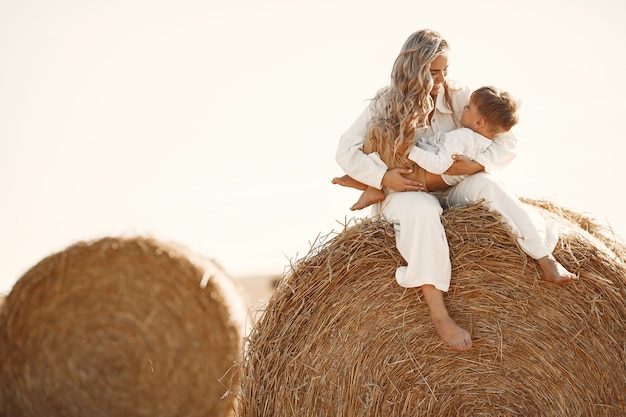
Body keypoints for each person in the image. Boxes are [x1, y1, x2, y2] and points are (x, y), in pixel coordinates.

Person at [334, 29, 576, 352]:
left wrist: (477, 166)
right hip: (405, 191)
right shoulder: (385, 101)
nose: (442, 79)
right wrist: (383, 178)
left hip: (452, 185)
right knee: (422, 211)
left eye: (445, 70)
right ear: (413, 69)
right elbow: (344, 151)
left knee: (489, 186)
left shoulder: (459, 95)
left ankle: (544, 257)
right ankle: (439, 315)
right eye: (434, 72)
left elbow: (508, 140)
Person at [336, 85, 520, 210]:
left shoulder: (464, 134)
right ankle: (372, 181)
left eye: (467, 107)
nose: (463, 108)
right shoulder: (478, 137)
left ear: (479, 121)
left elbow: (439, 164)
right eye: (434, 72)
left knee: (378, 132)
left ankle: (371, 183)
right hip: (424, 176)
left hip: (422, 176)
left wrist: (409, 150)